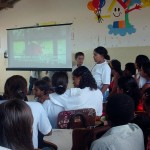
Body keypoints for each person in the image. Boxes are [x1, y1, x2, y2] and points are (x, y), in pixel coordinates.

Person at [2, 75, 52, 149]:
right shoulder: (37, 106)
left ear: (6, 90)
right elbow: (48, 132)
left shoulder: (2, 105)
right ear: (25, 91)